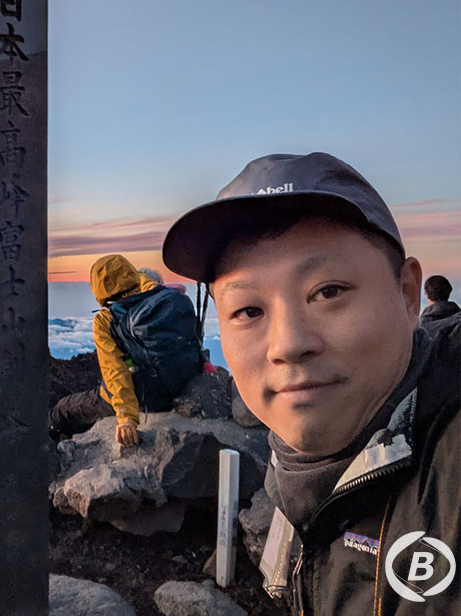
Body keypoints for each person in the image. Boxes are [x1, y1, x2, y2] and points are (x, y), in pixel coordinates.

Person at [162, 153, 459, 615]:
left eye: (328, 292)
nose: (288, 344)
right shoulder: (294, 469)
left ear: (406, 294)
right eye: (248, 311)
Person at [50, 254, 203, 446]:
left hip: (146, 399)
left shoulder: (105, 320)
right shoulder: (160, 295)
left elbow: (115, 370)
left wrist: (126, 418)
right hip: (181, 385)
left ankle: (53, 447)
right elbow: (144, 283)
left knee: (63, 410)